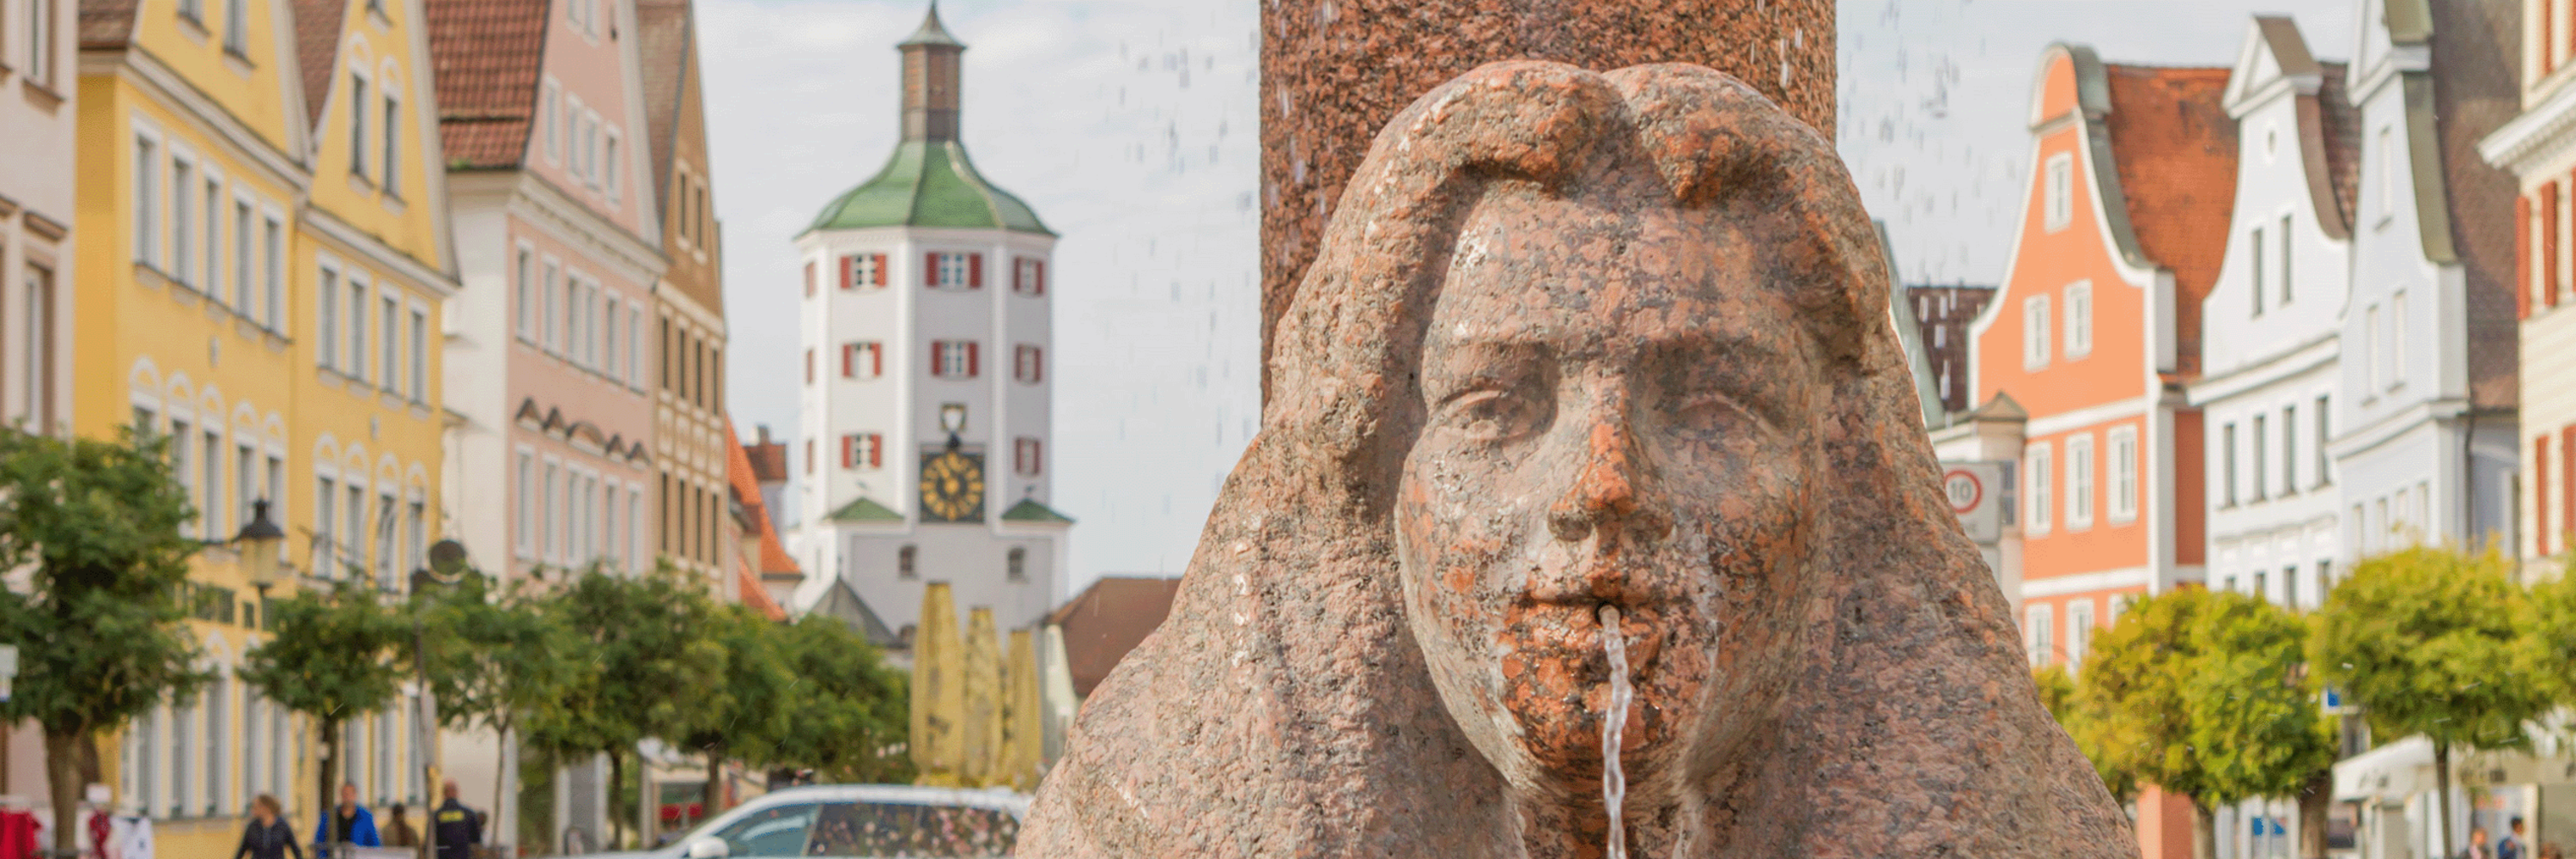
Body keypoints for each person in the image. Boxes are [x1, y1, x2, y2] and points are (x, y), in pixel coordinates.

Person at [1015, 61, 2135, 859]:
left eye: (1710, 405)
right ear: (1373, 487)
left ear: (1845, 484)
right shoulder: (1136, 833)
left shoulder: (2025, 832)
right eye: (1498, 403)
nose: (1605, 480)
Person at [312, 783, 380, 859]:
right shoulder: (329, 816)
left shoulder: (365, 817)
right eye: (344, 794)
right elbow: (319, 841)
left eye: (349, 794)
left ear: (355, 795)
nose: (347, 797)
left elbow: (375, 844)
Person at [232, 795, 301, 859]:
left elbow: (295, 849)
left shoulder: (282, 825)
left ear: (266, 808)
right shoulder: (252, 827)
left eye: (255, 807)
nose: (252, 810)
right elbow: (242, 850)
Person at [430, 780, 483, 859]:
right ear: (456, 792)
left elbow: (429, 842)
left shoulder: (436, 816)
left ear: (443, 794)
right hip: (463, 856)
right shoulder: (469, 814)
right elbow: (477, 839)